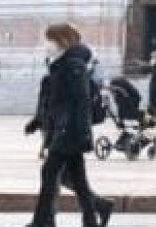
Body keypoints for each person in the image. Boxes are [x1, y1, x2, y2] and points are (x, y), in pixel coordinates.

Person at [24, 23, 113, 227]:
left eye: (50, 40)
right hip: (64, 129)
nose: (47, 44)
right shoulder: (62, 64)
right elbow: (56, 101)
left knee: (49, 172)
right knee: (78, 180)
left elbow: (81, 102)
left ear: (62, 41)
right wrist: (38, 121)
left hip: (69, 131)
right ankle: (93, 217)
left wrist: (78, 132)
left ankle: (42, 222)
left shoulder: (73, 66)